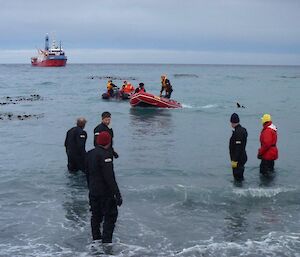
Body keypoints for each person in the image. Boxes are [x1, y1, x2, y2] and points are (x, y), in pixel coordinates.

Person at [86, 131, 122, 243]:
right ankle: (106, 243)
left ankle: (96, 240)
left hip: (93, 191)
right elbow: (109, 177)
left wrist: (90, 187)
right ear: (109, 141)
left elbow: (87, 173)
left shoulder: (90, 153)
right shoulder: (106, 155)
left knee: (96, 216)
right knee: (110, 216)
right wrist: (117, 194)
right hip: (105, 193)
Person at [229, 113, 248, 181]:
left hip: (238, 159)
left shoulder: (238, 132)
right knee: (240, 175)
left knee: (237, 177)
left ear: (232, 122)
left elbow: (238, 148)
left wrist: (234, 160)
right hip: (242, 156)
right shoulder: (242, 130)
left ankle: (239, 190)